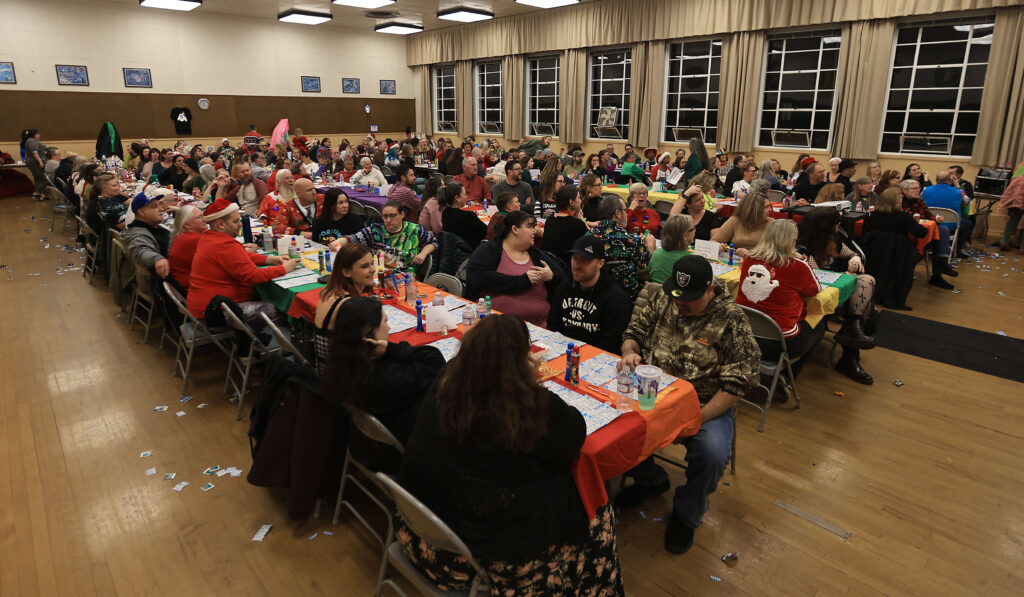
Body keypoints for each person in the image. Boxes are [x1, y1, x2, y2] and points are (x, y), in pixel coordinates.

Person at [398, 314, 621, 594]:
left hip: (418, 529)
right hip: (473, 560)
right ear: (520, 360)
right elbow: (572, 436)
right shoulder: (525, 403)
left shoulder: (449, 375)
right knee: (597, 515)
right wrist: (531, 384)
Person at [615, 255, 759, 553]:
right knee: (619, 426)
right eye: (677, 296)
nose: (681, 303)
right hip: (658, 392)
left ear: (710, 290)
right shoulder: (666, 300)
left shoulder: (731, 319)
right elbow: (633, 333)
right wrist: (630, 352)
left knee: (711, 454)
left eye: (690, 298)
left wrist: (695, 418)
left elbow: (738, 383)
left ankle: (686, 514)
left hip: (706, 403)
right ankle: (651, 480)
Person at [321, 297, 444, 460]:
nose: (389, 327)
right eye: (385, 322)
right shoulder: (387, 377)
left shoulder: (341, 363)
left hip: (362, 444)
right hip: (394, 453)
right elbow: (435, 361)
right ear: (368, 332)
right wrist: (392, 349)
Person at [735, 219, 825, 381]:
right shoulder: (797, 265)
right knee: (819, 324)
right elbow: (815, 289)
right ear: (792, 241)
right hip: (778, 342)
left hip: (742, 334)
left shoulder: (749, 259)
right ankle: (789, 377)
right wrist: (801, 258)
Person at [797, 207, 877, 384]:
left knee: (867, 281)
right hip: (816, 295)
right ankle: (850, 353)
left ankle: (853, 329)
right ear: (826, 226)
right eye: (836, 223)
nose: (838, 226)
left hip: (833, 289)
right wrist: (845, 277)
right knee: (863, 306)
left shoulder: (833, 240)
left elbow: (851, 253)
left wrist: (854, 258)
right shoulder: (803, 247)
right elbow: (817, 280)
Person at [185, 198, 296, 322]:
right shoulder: (225, 244)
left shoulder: (209, 237)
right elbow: (252, 276)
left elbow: (239, 256)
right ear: (220, 224)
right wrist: (283, 269)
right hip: (214, 313)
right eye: (236, 221)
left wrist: (269, 259)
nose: (240, 224)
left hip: (205, 307)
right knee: (282, 311)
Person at [466, 210, 556, 325]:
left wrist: (551, 277)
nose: (534, 231)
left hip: (536, 328)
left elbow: (564, 282)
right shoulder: (490, 250)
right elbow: (477, 277)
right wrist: (522, 281)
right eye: (529, 227)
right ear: (515, 229)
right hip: (492, 325)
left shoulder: (537, 255)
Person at [547, 236, 631, 353]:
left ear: (600, 263)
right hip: (562, 350)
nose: (577, 265)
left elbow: (611, 345)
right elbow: (552, 324)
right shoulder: (566, 285)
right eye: (574, 258)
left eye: (585, 260)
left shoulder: (615, 298)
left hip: (595, 357)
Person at [861, 187, 932, 308]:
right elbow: (921, 232)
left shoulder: (872, 215)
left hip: (875, 250)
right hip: (899, 252)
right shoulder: (903, 217)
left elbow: (864, 233)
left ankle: (873, 294)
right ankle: (893, 298)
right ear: (896, 201)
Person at [586, 195, 655, 301]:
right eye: (625, 210)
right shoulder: (632, 239)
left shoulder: (587, 236)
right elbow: (645, 265)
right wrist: (650, 247)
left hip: (593, 295)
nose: (626, 213)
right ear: (618, 213)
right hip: (625, 298)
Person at [333, 200, 437, 269]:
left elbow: (433, 242)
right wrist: (338, 242)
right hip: (379, 275)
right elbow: (353, 238)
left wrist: (423, 254)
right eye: (385, 216)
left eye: (392, 216)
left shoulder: (414, 230)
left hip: (407, 277)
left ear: (402, 215)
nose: (388, 220)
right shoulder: (375, 231)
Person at [899, 179, 956, 288]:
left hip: (922, 233)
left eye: (919, 188)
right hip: (906, 234)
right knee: (938, 239)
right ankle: (939, 272)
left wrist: (936, 220)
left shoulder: (919, 201)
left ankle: (941, 268)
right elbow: (904, 219)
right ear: (904, 190)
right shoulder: (899, 201)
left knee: (943, 230)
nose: (918, 190)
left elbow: (930, 218)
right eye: (914, 188)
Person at [922, 170, 974, 255]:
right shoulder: (958, 192)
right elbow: (967, 202)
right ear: (951, 181)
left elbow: (921, 201)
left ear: (936, 180)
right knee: (968, 224)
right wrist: (957, 185)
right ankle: (957, 250)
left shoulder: (926, 190)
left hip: (931, 223)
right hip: (951, 226)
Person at [122, 193, 171, 281]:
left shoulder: (153, 225)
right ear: (141, 212)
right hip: (164, 280)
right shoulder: (136, 234)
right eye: (154, 207)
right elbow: (141, 251)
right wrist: (157, 259)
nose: (161, 209)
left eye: (160, 205)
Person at [711, 189, 772, 255]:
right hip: (735, 261)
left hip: (760, 262)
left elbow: (778, 252)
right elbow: (714, 241)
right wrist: (718, 247)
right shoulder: (735, 220)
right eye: (766, 207)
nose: (770, 210)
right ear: (755, 210)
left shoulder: (772, 224)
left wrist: (751, 254)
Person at [540, 186, 589, 264]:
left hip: (549, 265)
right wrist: (581, 218)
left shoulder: (550, 219)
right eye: (579, 198)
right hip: (567, 269)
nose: (581, 201)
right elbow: (591, 242)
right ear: (571, 202)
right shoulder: (577, 224)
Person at [167, 205, 207, 291]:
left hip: (183, 285)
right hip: (192, 289)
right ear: (187, 225)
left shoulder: (180, 236)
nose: (205, 220)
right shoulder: (194, 240)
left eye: (203, 215)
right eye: (199, 217)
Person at [649, 214, 695, 284]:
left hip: (656, 292)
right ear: (685, 236)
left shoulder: (655, 254)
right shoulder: (691, 259)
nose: (695, 230)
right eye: (693, 228)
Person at [439, 181, 486, 248]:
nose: (466, 197)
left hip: (451, 250)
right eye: (465, 194)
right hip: (468, 252)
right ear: (457, 198)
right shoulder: (469, 216)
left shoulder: (445, 212)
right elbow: (485, 231)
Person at [258, 169, 295, 234]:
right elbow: (262, 217)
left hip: (297, 233)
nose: (291, 180)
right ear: (278, 182)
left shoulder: (298, 196)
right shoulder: (270, 198)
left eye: (291, 177)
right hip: (275, 234)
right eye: (287, 178)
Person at [23, 129, 49, 200]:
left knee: (37, 178)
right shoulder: (31, 141)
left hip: (32, 162)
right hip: (34, 163)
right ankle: (37, 193)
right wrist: (40, 162)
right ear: (35, 135)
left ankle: (41, 195)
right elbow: (35, 153)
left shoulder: (29, 141)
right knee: (43, 178)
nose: (39, 135)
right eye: (38, 134)